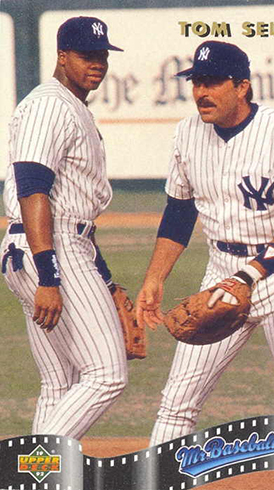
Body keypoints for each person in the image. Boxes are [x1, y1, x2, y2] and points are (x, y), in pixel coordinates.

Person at [136, 40, 274, 445]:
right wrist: (155, 277)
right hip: (220, 273)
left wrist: (249, 275)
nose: (200, 92)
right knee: (177, 401)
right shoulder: (187, 134)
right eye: (196, 82)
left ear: (242, 86)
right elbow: (179, 213)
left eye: (211, 82)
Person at [0, 16, 128, 440]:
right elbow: (33, 190)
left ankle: (42, 480)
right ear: (61, 56)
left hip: (50, 246)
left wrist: (108, 283)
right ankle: (25, 468)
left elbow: (78, 216)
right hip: (48, 248)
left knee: (60, 383)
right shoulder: (49, 105)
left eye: (102, 55)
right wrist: (49, 275)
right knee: (107, 375)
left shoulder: (71, 106)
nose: (97, 63)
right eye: (86, 55)